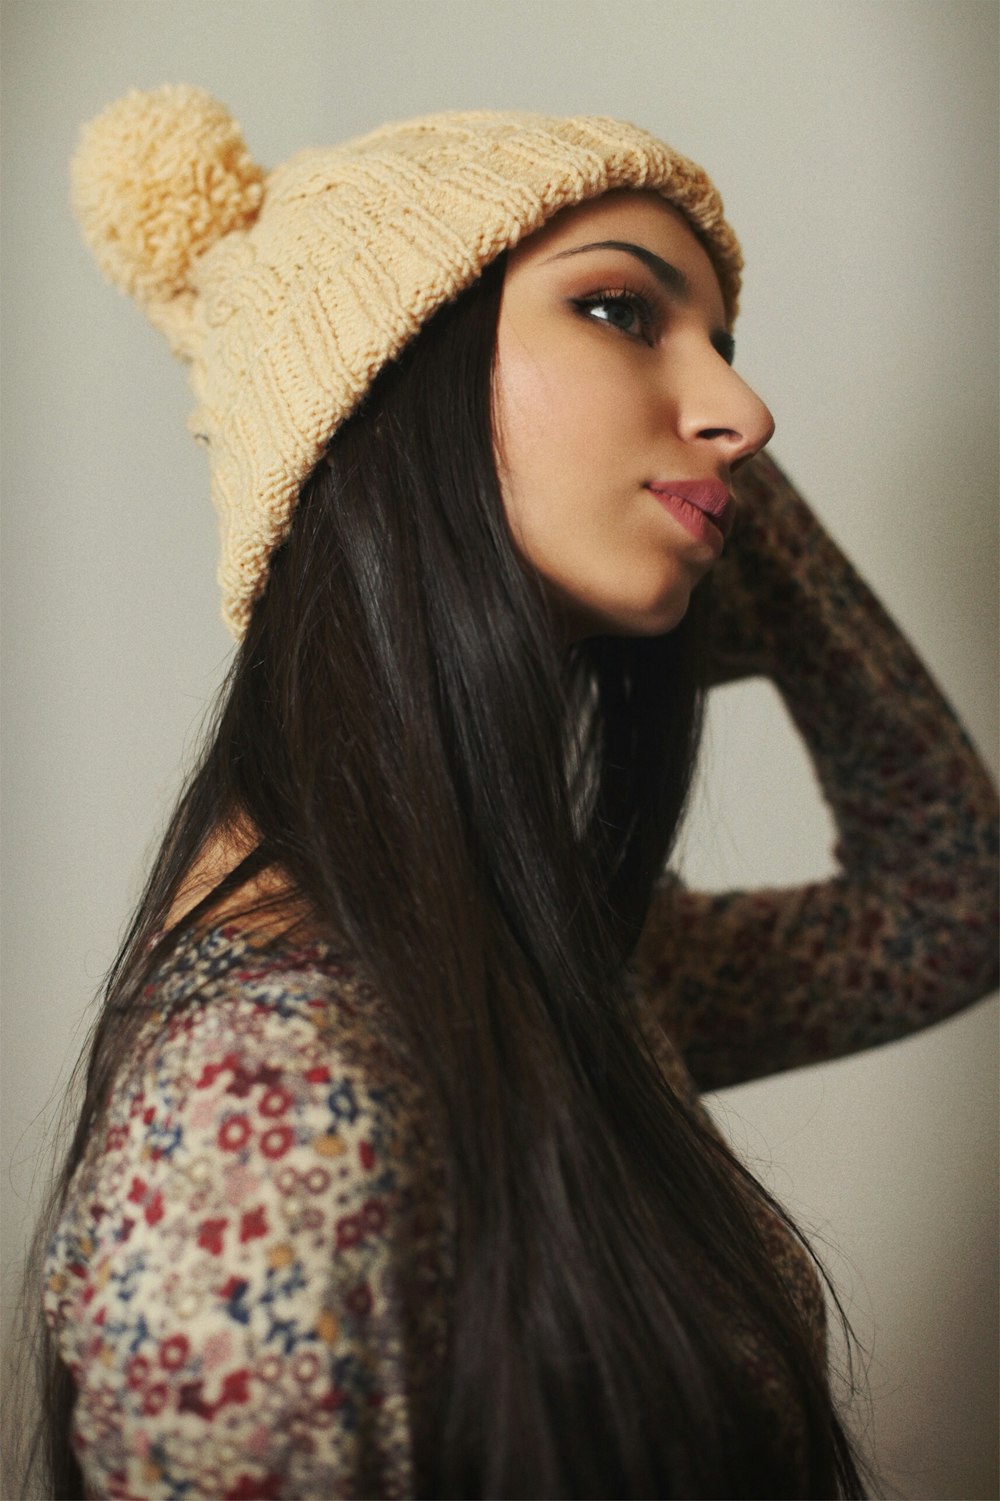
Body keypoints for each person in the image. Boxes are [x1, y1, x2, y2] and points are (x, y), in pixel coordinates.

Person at [23, 85, 997, 1500]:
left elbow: (946, 903)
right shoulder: (272, 1109)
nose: (745, 405)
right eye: (619, 309)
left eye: (723, 343)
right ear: (381, 380)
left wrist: (709, 481)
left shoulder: (526, 965)